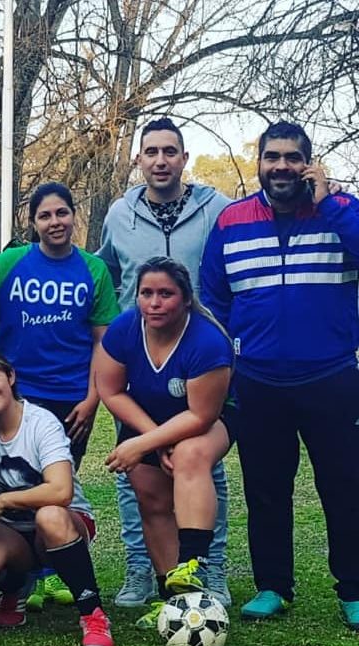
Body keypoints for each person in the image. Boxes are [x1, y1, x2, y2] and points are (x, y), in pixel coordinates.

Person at [200, 121, 359, 629]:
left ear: (309, 163)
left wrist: (330, 201)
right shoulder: (230, 221)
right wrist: (240, 351)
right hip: (259, 380)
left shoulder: (342, 211)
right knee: (266, 489)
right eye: (273, 157)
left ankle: (353, 589)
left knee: (345, 486)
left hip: (332, 375)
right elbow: (214, 294)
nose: (282, 166)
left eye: (293, 157)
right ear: (260, 164)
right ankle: (273, 586)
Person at [98, 117, 232, 608]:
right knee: (141, 478)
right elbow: (103, 269)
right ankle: (146, 574)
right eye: (150, 151)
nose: (160, 160)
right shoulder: (119, 213)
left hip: (198, 359)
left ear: (183, 158)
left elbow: (231, 265)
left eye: (169, 151)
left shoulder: (217, 207)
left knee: (198, 466)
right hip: (143, 367)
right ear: (138, 159)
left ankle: (209, 574)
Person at [0, 182, 119, 609]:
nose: (54, 222)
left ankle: (58, 570)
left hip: (70, 398)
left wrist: (93, 399)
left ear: (74, 216)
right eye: (45, 215)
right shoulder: (10, 263)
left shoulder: (94, 270)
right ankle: (25, 580)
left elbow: (102, 341)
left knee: (58, 488)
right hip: (17, 393)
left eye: (62, 213)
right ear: (33, 222)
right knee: (14, 476)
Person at [0, 348, 114, 646]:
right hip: (14, 530)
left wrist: (3, 500)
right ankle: (15, 587)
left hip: (65, 520)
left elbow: (61, 491)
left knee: (49, 516)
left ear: (11, 377)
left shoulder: (41, 423)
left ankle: (92, 614)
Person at [98, 257, 235, 629]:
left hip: (203, 416)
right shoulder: (125, 328)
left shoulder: (208, 341)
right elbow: (110, 390)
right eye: (147, 293)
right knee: (149, 493)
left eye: (165, 294)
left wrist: (148, 443)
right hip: (146, 415)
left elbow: (201, 415)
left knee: (190, 454)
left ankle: (193, 565)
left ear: (185, 299)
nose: (154, 303)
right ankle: (175, 599)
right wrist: (149, 441)